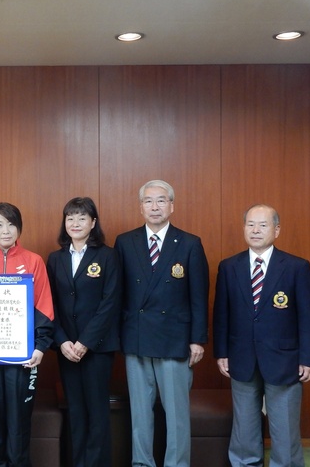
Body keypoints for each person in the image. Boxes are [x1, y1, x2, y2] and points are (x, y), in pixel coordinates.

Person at [213, 204, 310, 467]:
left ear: (277, 229)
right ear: (244, 228)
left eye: (262, 225)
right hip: (241, 357)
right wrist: (222, 353)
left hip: (285, 359)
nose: (256, 230)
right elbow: (221, 314)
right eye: (250, 224)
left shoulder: (296, 267)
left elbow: (308, 317)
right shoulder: (229, 267)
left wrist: (308, 358)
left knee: (284, 429)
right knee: (245, 428)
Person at [113, 180, 209, 467]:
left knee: (177, 414)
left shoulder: (190, 243)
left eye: (161, 200)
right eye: (149, 201)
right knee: (140, 412)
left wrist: (197, 339)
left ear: (172, 206)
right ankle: (142, 463)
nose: (155, 206)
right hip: (137, 336)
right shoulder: (125, 242)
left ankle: (177, 464)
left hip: (175, 339)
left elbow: (199, 296)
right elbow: (118, 293)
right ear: (141, 206)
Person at [0, 202, 55, 467]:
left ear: (19, 228)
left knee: (19, 420)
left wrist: (39, 347)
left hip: (23, 358)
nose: (6, 230)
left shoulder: (33, 261)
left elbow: (44, 307)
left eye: (11, 224)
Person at [47, 197, 120, 467]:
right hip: (66, 349)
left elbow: (110, 303)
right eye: (70, 218)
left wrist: (85, 342)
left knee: (97, 412)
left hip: (97, 348)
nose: (75, 223)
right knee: (75, 412)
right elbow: (48, 304)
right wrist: (63, 341)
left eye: (81, 217)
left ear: (93, 222)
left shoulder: (108, 255)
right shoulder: (55, 258)